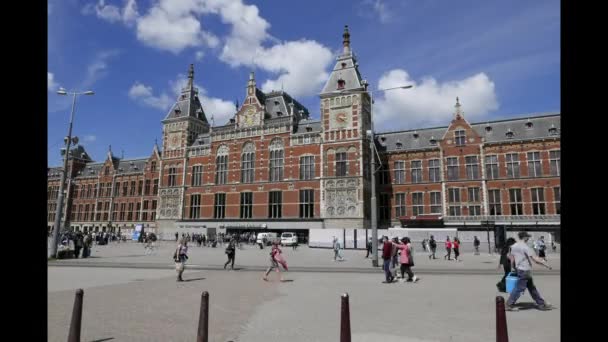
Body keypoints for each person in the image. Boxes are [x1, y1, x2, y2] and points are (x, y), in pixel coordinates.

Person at [505, 232, 553, 311]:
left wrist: (513, 268)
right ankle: (508, 304)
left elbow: (511, 258)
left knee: (531, 288)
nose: (528, 238)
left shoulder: (513, 246)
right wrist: (546, 265)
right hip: (525, 270)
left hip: (519, 269)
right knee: (519, 288)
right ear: (524, 237)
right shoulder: (525, 247)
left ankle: (541, 303)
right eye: (528, 237)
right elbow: (535, 259)